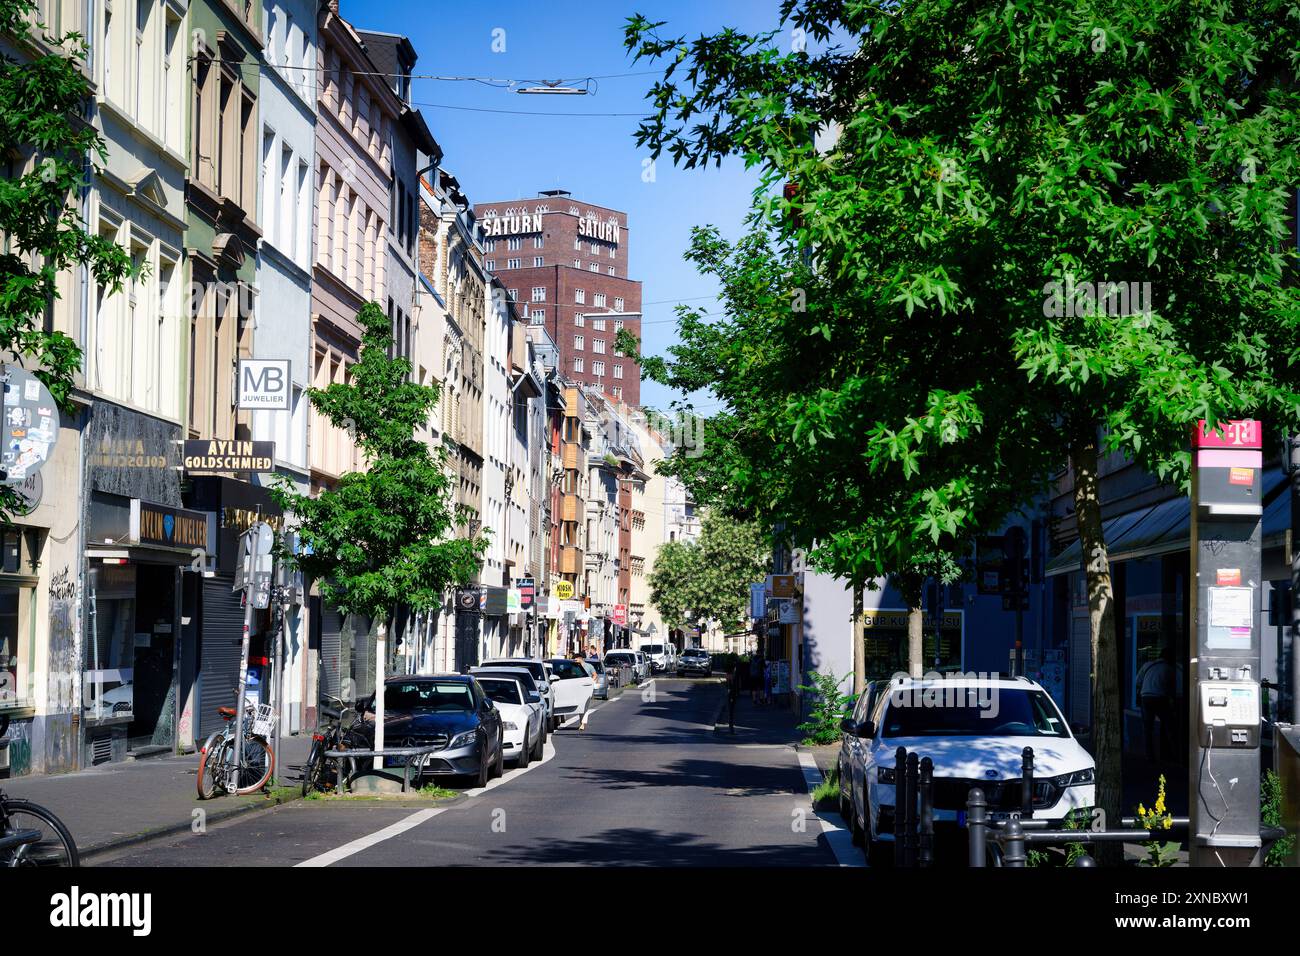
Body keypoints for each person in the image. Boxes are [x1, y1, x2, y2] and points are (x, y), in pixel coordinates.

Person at [1137, 645, 1176, 763]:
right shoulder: (1169, 669)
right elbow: (1171, 688)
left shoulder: (1147, 665)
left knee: (1147, 729)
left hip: (1145, 697)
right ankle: (1174, 754)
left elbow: (1137, 681)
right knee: (1170, 726)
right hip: (1160, 698)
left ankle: (1149, 756)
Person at [727, 659, 745, 733]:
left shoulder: (731, 675)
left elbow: (729, 686)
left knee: (731, 710)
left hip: (732, 694)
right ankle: (731, 726)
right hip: (732, 694)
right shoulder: (733, 675)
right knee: (731, 710)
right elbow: (730, 686)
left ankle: (731, 726)